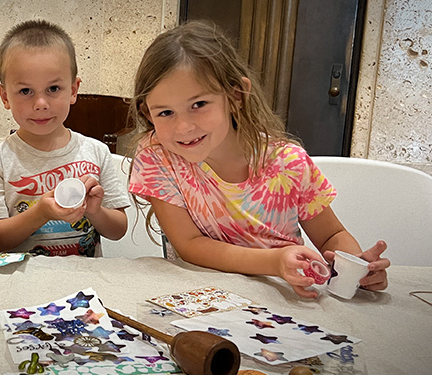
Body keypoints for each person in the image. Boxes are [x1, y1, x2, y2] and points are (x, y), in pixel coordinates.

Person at [127, 21, 389, 298]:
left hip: (285, 301)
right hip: (194, 300)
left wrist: (358, 267)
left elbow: (330, 236)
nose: (183, 127)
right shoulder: (158, 157)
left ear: (236, 96)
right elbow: (189, 245)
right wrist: (273, 262)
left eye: (199, 104)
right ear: (147, 113)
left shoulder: (289, 163)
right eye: (166, 113)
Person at [0, 20, 129, 257]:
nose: (41, 104)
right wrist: (40, 213)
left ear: (73, 90)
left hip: (82, 284)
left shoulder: (96, 151)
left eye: (53, 89)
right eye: (25, 91)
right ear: (5, 96)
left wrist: (95, 211)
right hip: (20, 282)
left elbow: (118, 230)